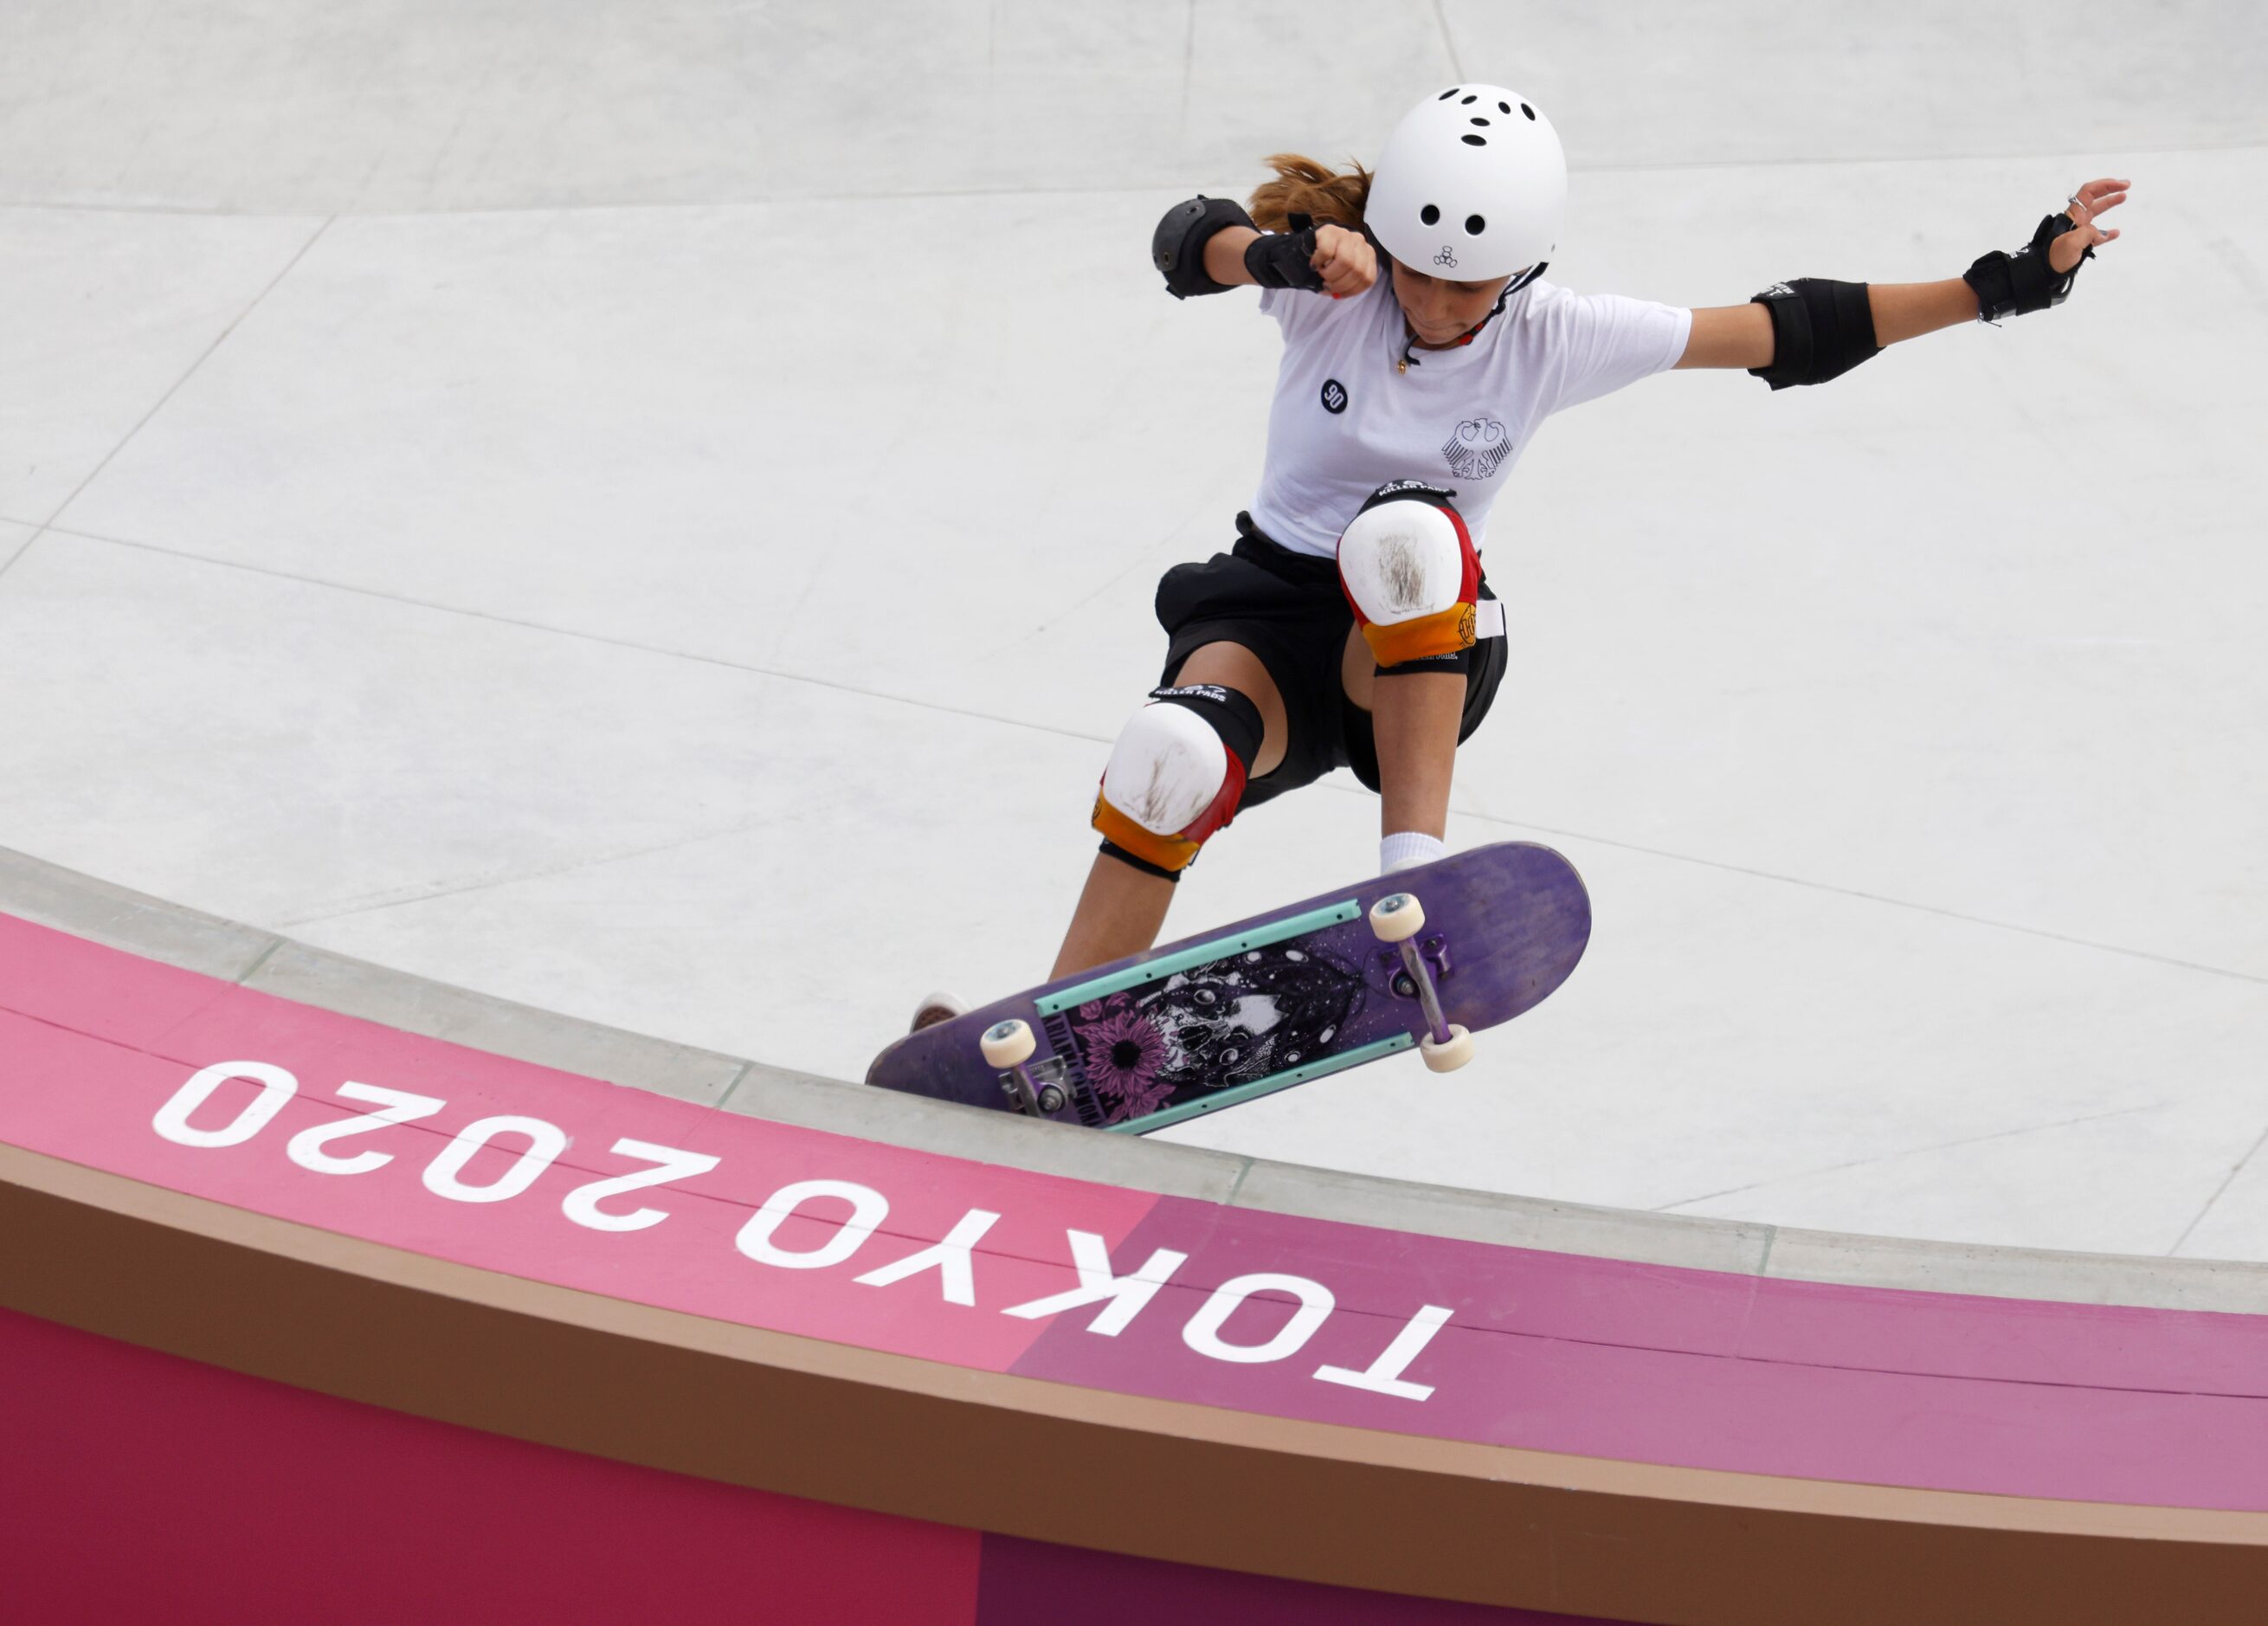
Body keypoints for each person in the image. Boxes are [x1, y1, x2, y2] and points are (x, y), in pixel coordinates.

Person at [927, 81, 2129, 1027]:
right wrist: (1281, 256)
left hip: (1418, 647)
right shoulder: (1330, 281)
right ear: (1386, 235)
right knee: (1171, 754)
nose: (1441, 308)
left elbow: (1791, 329)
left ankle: (1410, 881)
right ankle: (1050, 1035)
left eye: (1474, 286)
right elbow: (1187, 239)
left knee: (1408, 535)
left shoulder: (1556, 338)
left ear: (1527, 268)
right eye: (1418, 273)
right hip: (1267, 616)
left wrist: (2006, 284)